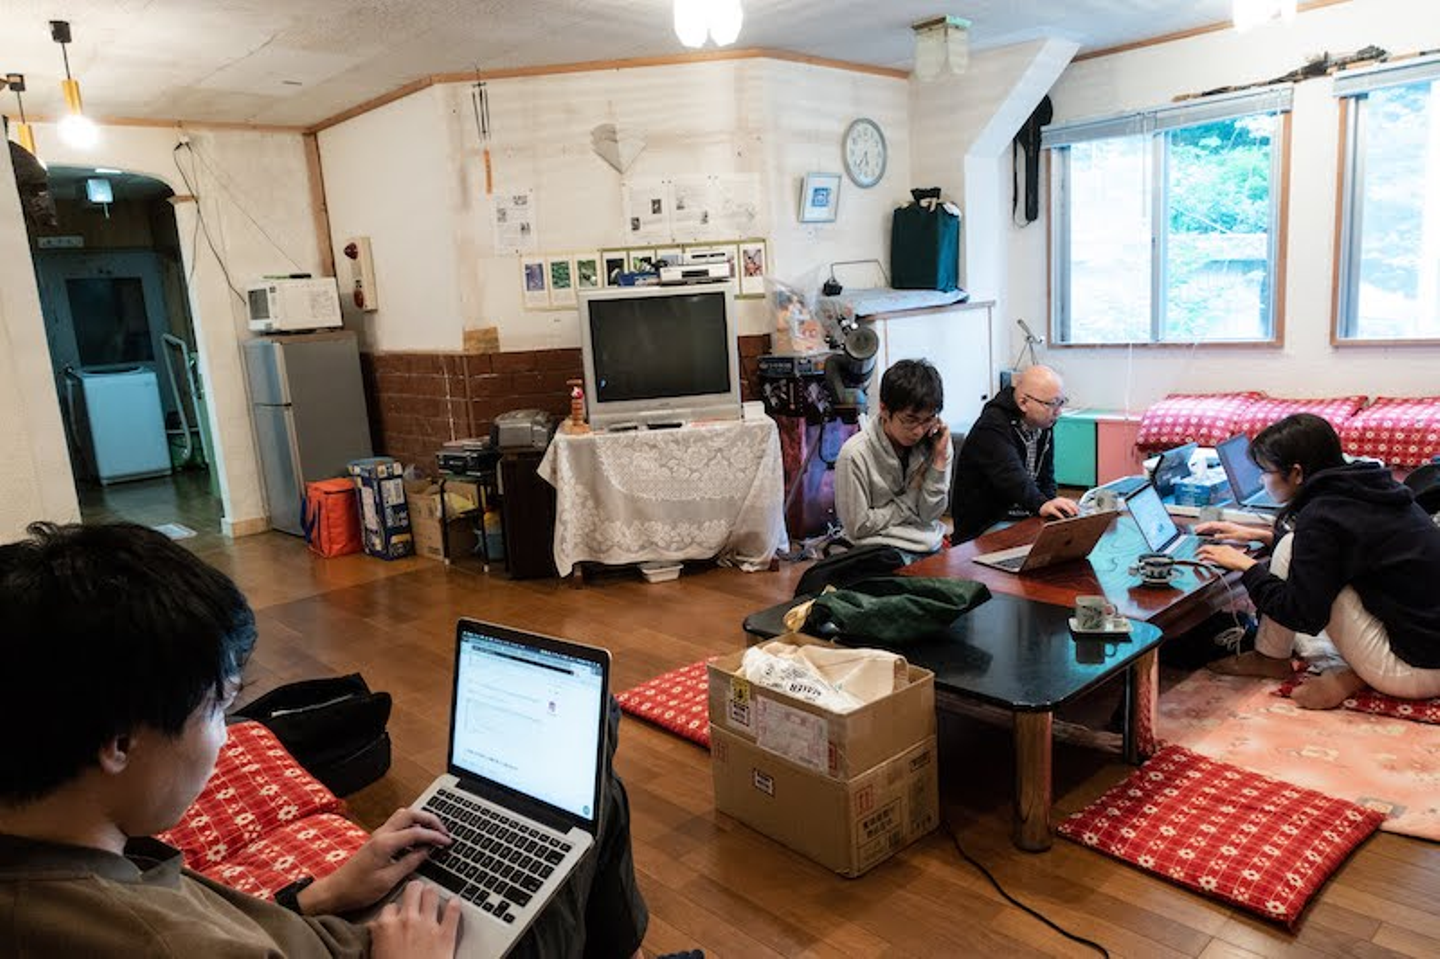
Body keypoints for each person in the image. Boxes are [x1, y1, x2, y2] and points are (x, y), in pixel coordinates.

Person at [0, 522, 648, 958]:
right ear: (119, 744)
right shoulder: (152, 941)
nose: (227, 737)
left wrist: (322, 894)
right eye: (218, 708)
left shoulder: (63, 864)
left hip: (342, 925)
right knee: (596, 773)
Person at [1196, 414, 1440, 710]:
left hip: (1417, 669)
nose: (1262, 481)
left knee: (1300, 565)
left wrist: (1248, 568)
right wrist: (1262, 536)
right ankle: (1276, 659)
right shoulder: (1369, 485)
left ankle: (1335, 673)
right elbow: (1343, 547)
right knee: (1290, 545)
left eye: (1265, 472)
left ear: (1296, 473)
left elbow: (1302, 615)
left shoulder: (1323, 515)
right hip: (1428, 648)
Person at [833, 359, 952, 559]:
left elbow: (929, 515)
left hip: (926, 545)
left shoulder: (937, 442)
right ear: (884, 410)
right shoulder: (854, 454)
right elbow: (858, 527)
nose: (918, 431)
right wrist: (909, 501)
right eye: (910, 420)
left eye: (928, 420)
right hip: (876, 552)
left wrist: (939, 462)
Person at [951, 364, 1078, 542]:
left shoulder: (1044, 423)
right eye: (1051, 404)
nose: (1058, 412)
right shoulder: (992, 426)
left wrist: (1052, 508)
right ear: (1023, 403)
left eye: (1061, 402)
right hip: (987, 524)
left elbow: (1046, 477)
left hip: (1025, 512)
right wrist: (1042, 504)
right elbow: (1011, 476)